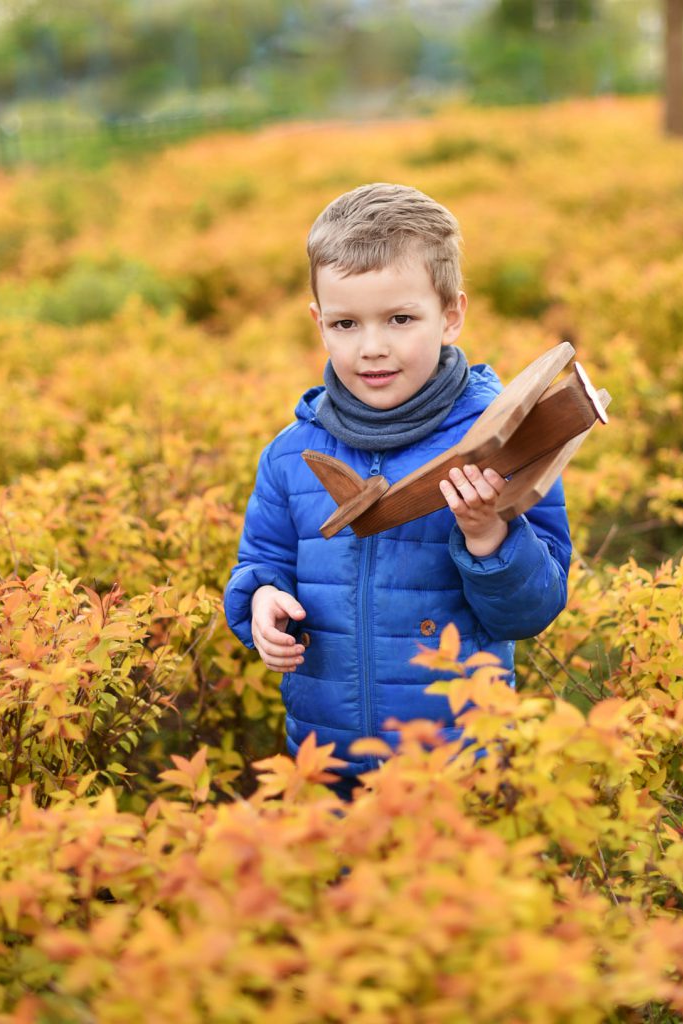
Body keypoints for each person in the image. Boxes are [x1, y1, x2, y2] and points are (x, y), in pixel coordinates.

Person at [223, 182, 571, 800]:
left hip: (459, 765)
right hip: (326, 764)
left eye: (400, 319)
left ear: (451, 314)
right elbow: (262, 562)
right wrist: (262, 602)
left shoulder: (502, 443)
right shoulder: (290, 456)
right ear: (318, 323)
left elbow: (531, 611)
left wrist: (489, 535)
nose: (372, 347)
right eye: (346, 323)